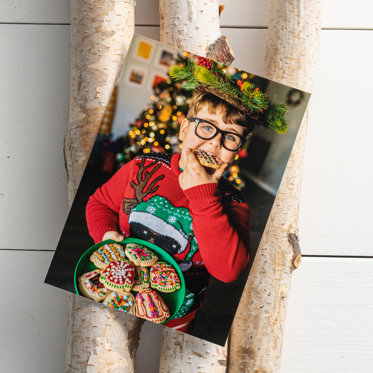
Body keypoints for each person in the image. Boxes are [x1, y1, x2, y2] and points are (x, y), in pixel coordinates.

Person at [86, 56, 287, 332]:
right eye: (206, 127)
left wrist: (204, 197)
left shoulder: (234, 204)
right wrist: (106, 235)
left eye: (230, 137)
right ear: (183, 129)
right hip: (116, 295)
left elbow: (228, 271)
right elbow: (99, 203)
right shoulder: (142, 167)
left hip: (177, 318)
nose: (215, 142)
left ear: (238, 149)